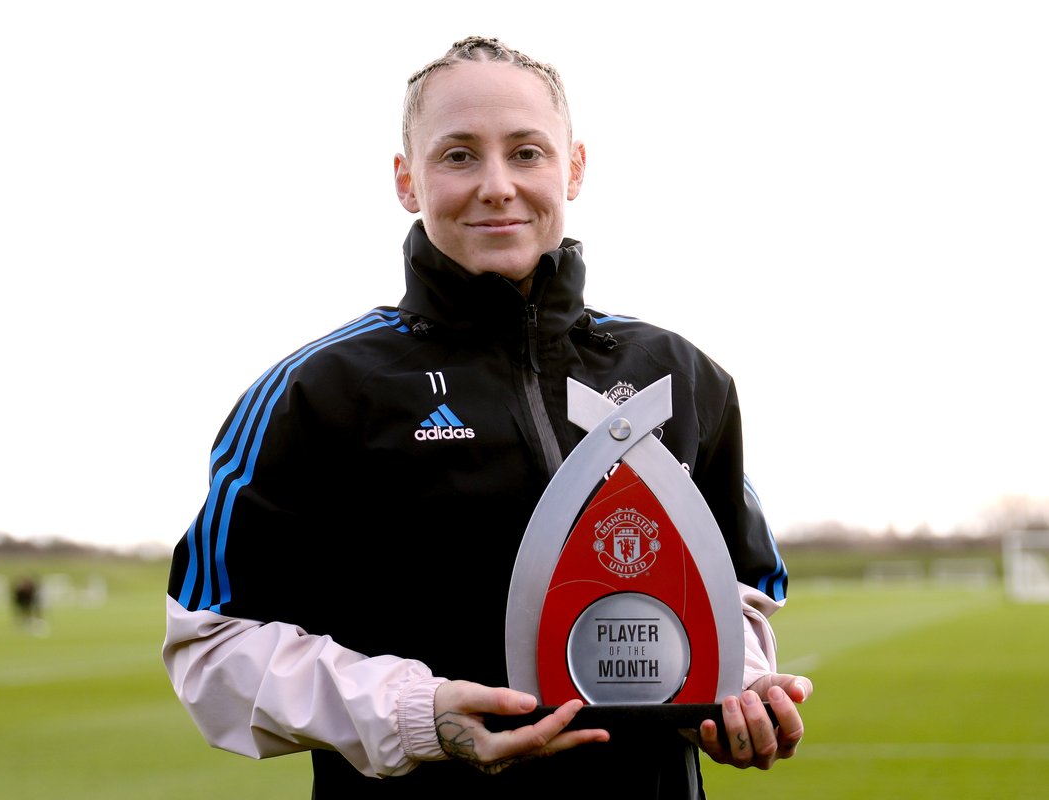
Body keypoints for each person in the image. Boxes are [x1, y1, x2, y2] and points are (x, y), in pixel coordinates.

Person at [163, 35, 811, 799]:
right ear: (407, 180)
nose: (497, 185)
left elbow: (738, 589)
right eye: (459, 155)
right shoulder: (320, 389)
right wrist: (419, 712)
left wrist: (741, 691)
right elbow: (211, 646)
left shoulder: (676, 373)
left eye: (527, 152)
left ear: (573, 167)